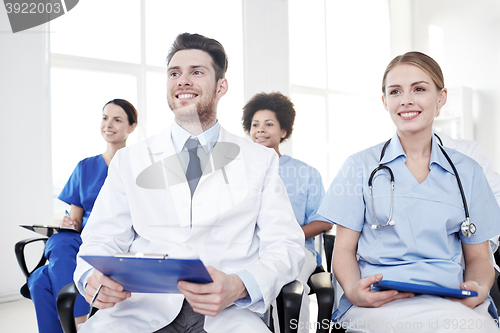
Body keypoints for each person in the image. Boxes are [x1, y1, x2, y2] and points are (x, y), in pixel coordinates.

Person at [73, 33, 305, 333]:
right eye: (174, 73)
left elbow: (286, 244)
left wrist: (240, 285)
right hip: (141, 308)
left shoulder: (260, 161)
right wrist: (93, 277)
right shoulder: (129, 161)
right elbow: (100, 237)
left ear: (221, 86)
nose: (182, 81)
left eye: (196, 72)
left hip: (226, 311)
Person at [318, 51, 500, 332]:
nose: (406, 100)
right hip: (379, 301)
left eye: (419, 89)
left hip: (450, 300)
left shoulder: (468, 172)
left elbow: (478, 258)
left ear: (441, 98)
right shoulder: (359, 166)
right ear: (384, 101)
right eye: (395, 91)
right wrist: (354, 291)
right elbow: (343, 250)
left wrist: (477, 288)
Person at [27, 99, 138, 333]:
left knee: (39, 280)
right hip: (82, 240)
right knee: (60, 238)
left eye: (117, 120)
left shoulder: (137, 166)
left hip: (117, 243)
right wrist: (69, 224)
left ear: (132, 127)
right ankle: (81, 324)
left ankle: (77, 323)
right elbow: (75, 221)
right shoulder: (84, 167)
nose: (109, 124)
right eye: (105, 117)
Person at [242, 92, 332, 331]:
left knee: (289, 283)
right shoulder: (239, 173)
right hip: (251, 248)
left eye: (269, 124)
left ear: (283, 131)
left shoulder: (306, 173)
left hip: (297, 249)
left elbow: (324, 221)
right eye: (255, 125)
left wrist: (288, 236)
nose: (260, 130)